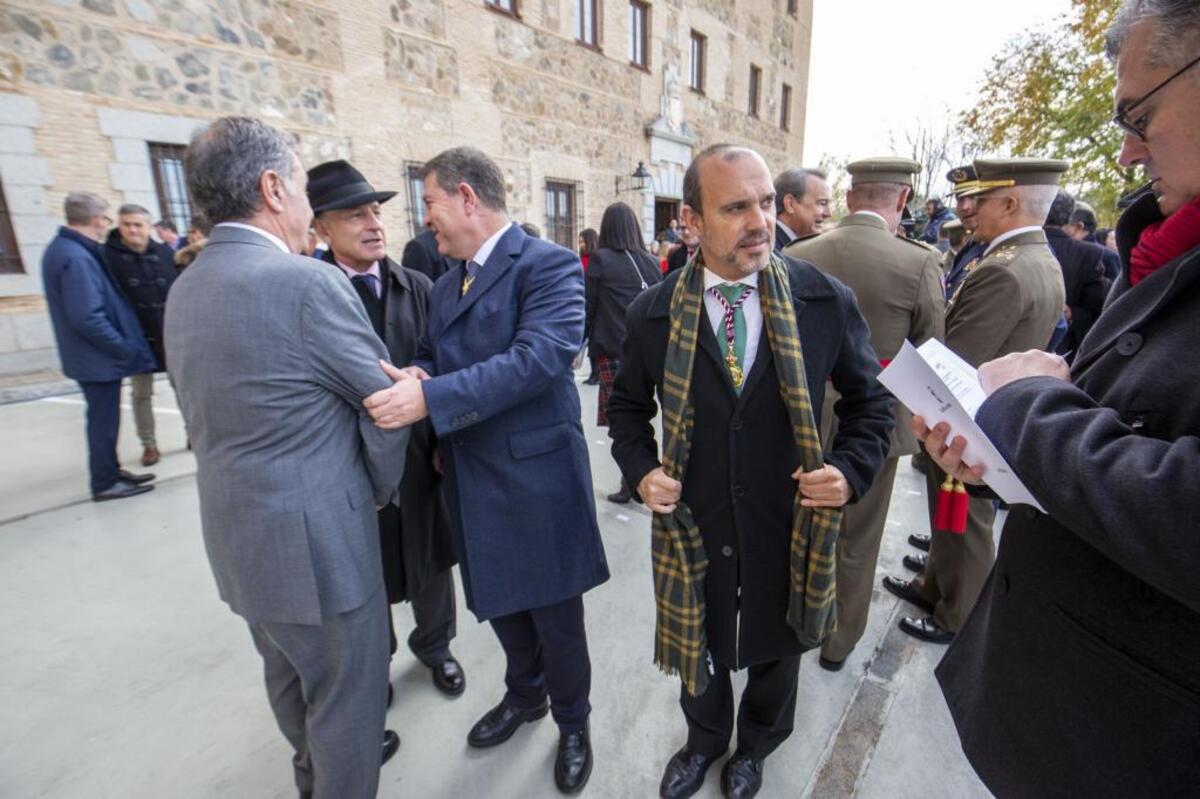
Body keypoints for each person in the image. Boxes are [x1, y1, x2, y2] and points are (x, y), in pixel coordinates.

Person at [917, 4, 1200, 793]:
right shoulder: (1159, 245)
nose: (1126, 150)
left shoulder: (1017, 265)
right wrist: (1002, 449)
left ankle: (944, 598)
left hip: (1127, 742)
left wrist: (1020, 411)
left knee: (955, 534)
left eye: (1141, 113)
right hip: (1059, 700)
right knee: (953, 520)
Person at [607, 144, 893, 799]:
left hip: (788, 523)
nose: (760, 220)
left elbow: (870, 403)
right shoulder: (650, 313)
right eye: (736, 207)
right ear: (692, 220)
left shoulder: (824, 299)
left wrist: (850, 471)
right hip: (694, 522)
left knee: (776, 646)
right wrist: (642, 467)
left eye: (765, 202)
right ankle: (704, 739)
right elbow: (625, 408)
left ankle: (756, 745)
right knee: (699, 644)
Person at [164, 117, 407, 797]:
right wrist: (379, 492)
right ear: (272, 188)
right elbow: (385, 409)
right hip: (322, 552)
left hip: (240, 547)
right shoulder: (305, 284)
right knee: (349, 709)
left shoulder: (184, 288)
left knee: (289, 684)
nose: (305, 202)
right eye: (299, 185)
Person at [362, 146, 609, 794]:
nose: (427, 221)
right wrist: (420, 372)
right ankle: (523, 696)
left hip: (537, 478)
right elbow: (431, 353)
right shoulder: (447, 285)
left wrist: (432, 397)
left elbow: (540, 357)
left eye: (433, 205)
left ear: (469, 197)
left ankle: (573, 722)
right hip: (472, 478)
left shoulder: (548, 265)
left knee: (556, 619)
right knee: (503, 605)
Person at [883, 158, 1068, 644]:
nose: (967, 208)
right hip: (982, 418)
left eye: (979, 200)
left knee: (966, 525)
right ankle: (935, 587)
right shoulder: (1032, 258)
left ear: (1009, 203)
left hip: (970, 421)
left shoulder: (1005, 270)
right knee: (950, 517)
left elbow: (956, 354)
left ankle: (956, 615)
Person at [307, 159, 466, 703]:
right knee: (363, 571)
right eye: (355, 215)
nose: (374, 224)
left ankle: (437, 646)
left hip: (419, 455)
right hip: (348, 464)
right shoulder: (309, 293)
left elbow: (445, 363)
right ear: (321, 229)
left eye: (376, 211)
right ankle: (377, 664)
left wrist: (444, 438)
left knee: (430, 559)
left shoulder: (419, 286)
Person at [785, 157, 945, 671]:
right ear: (901, 200)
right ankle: (837, 643)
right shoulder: (919, 262)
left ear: (851, 197)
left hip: (801, 410)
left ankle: (791, 625)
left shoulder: (801, 251)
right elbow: (929, 351)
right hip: (874, 419)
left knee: (796, 524)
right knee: (857, 540)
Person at [42, 192, 157, 501]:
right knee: (103, 422)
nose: (108, 226)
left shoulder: (67, 250)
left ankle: (111, 470)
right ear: (96, 220)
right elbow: (87, 317)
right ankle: (105, 482)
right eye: (107, 219)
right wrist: (122, 347)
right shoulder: (76, 256)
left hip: (94, 358)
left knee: (105, 421)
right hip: (98, 360)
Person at [582, 201, 662, 504]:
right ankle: (634, 477)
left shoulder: (600, 260)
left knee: (623, 418)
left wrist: (579, 346)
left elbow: (588, 308)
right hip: (651, 351)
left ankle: (636, 476)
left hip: (613, 349)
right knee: (640, 415)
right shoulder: (651, 262)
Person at [103, 204, 177, 467]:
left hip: (168, 334)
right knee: (141, 393)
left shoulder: (165, 254)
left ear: (149, 227)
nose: (133, 229)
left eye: (138, 224)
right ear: (119, 226)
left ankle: (194, 432)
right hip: (136, 337)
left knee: (183, 387)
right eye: (127, 224)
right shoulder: (108, 258)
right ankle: (149, 444)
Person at [1043, 190, 1111, 359]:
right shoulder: (1090, 253)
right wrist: (1072, 313)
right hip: (1067, 351)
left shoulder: (1017, 248)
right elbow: (1100, 305)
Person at [772, 167, 833, 249]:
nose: (829, 213)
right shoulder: (770, 247)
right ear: (790, 204)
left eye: (829, 204)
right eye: (822, 203)